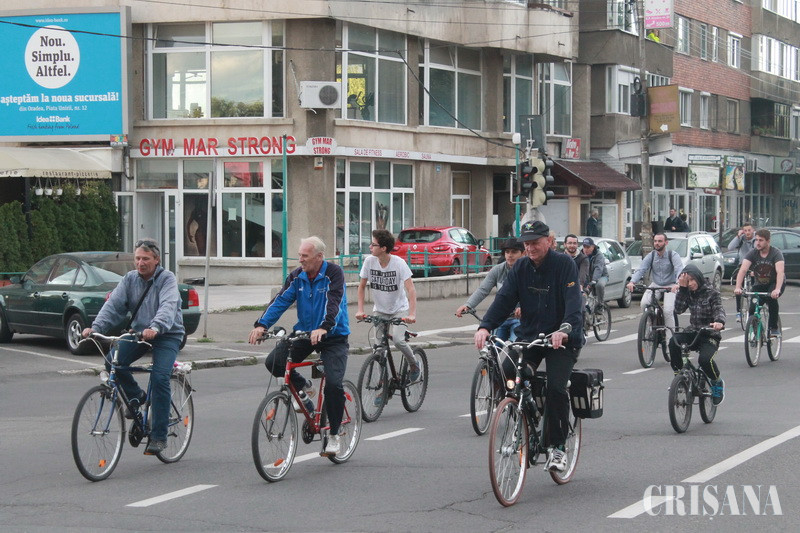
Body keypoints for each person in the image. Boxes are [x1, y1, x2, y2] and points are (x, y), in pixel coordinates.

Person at [474, 220, 583, 473]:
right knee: (506, 371)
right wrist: (485, 327)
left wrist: (565, 329)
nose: (530, 248)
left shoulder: (564, 264)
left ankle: (558, 447)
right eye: (527, 243)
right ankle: (524, 414)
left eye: (535, 242)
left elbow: (573, 302)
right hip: (531, 338)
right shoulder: (521, 267)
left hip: (561, 339)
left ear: (549, 242)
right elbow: (504, 300)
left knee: (556, 388)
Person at [82, 239, 185, 456]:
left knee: (159, 377)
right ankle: (136, 396)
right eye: (137, 258)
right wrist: (95, 328)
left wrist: (156, 326)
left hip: (167, 334)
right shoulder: (130, 279)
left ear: (156, 260)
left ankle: (159, 436)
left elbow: (168, 306)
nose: (140, 263)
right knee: (112, 362)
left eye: (145, 259)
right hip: (139, 333)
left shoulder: (167, 279)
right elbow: (113, 306)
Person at [248, 236, 350, 457]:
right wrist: (262, 325)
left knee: (333, 384)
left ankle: (334, 433)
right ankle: (304, 387)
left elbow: (334, 303)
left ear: (319, 257)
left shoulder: (333, 273)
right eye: (299, 255)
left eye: (305, 256)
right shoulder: (297, 276)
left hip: (333, 334)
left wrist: (324, 327)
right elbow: (281, 301)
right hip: (305, 332)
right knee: (274, 362)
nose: (300, 260)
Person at [356, 229, 420, 383]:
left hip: (399, 309)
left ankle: (414, 364)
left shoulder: (399, 263)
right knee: (378, 348)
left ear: (383, 248)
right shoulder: (369, 262)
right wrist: (360, 310)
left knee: (398, 340)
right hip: (380, 310)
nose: (370, 247)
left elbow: (411, 289)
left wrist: (412, 314)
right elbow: (361, 287)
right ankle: (382, 384)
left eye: (373, 244)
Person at [670, 264, 726, 405]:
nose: (690, 284)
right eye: (686, 281)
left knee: (705, 360)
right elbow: (678, 310)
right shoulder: (687, 292)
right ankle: (679, 376)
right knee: (673, 342)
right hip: (694, 331)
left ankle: (717, 382)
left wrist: (719, 322)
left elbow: (719, 309)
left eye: (691, 280)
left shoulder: (712, 292)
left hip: (709, 334)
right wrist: (682, 290)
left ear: (698, 278)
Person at [455, 237, 524, 341]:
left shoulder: (528, 270)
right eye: (507, 252)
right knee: (494, 346)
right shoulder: (498, 270)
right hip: (501, 318)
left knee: (516, 346)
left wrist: (523, 307)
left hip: (520, 320)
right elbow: (483, 289)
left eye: (514, 252)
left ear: (523, 253)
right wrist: (468, 305)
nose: (510, 255)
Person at [626, 233, 683, 339]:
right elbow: (641, 269)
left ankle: (670, 340)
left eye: (660, 241)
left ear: (666, 243)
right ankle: (650, 326)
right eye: (655, 241)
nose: (657, 243)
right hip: (656, 284)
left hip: (670, 285)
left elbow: (679, 270)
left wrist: (677, 284)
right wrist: (632, 282)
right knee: (644, 304)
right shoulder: (651, 256)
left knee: (667, 311)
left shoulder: (672, 255)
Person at [734, 229, 785, 337]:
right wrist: (738, 287)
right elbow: (743, 270)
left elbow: (780, 272)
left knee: (772, 299)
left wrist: (777, 289)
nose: (757, 243)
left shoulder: (776, 253)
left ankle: (773, 328)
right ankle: (757, 331)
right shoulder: (753, 253)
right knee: (753, 308)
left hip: (775, 283)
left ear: (768, 241)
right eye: (756, 240)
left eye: (761, 240)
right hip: (760, 284)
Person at [728, 222, 755, 322]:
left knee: (755, 286)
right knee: (738, 287)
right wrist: (738, 236)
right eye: (745, 230)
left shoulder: (756, 239)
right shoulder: (741, 239)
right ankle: (739, 311)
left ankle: (753, 310)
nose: (747, 233)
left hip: (754, 264)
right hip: (742, 264)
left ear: (753, 230)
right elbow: (730, 247)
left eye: (749, 230)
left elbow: (758, 249)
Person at [581, 238, 608, 307]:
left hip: (601, 276)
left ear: (593, 247)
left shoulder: (599, 255)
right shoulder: (581, 255)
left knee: (599, 285)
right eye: (584, 247)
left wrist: (594, 280)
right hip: (588, 277)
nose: (586, 249)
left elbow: (598, 268)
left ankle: (600, 304)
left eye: (588, 247)